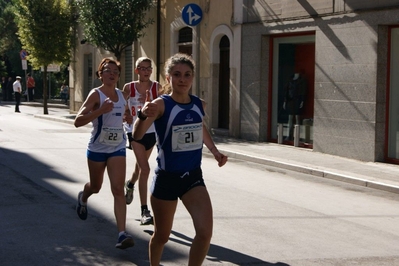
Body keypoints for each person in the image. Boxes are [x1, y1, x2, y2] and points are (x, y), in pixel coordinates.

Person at [133, 53, 228, 265]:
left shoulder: (199, 105)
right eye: (177, 74)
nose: (182, 79)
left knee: (204, 234)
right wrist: (143, 115)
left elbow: (199, 127)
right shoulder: (160, 105)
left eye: (187, 75)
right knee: (162, 236)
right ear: (168, 78)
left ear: (193, 78)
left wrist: (214, 151)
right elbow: (137, 136)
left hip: (193, 178)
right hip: (167, 179)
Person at [74, 58, 135, 249]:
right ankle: (83, 197)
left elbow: (125, 114)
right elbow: (78, 121)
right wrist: (100, 110)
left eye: (116, 71)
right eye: (108, 71)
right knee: (96, 186)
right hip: (97, 149)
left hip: (117, 147)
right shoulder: (96, 94)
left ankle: (122, 234)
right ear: (100, 74)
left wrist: (128, 116)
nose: (112, 74)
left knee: (118, 190)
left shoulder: (122, 95)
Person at [122, 57, 160, 226]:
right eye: (142, 68)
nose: (146, 71)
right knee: (145, 168)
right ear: (136, 70)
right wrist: (126, 113)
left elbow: (162, 106)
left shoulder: (156, 87)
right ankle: (145, 210)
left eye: (148, 68)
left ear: (151, 70)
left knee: (139, 168)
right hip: (134, 131)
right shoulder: (129, 87)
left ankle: (130, 184)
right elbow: (122, 103)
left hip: (151, 131)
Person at [283, 73, 307, 140]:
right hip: (290, 101)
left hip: (297, 100)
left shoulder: (302, 81)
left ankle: (297, 135)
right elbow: (286, 91)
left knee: (297, 117)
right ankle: (289, 135)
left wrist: (302, 101)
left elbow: (303, 91)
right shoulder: (290, 80)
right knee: (290, 118)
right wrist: (285, 101)